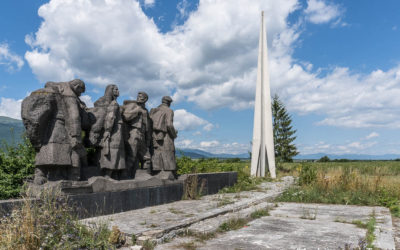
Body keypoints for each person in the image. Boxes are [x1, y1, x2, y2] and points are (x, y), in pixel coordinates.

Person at [22, 79, 88, 184]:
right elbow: (74, 116)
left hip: (50, 126)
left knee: (47, 148)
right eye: (81, 91)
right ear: (77, 87)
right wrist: (76, 134)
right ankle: (72, 177)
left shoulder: (58, 91)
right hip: (62, 126)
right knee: (69, 150)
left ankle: (41, 174)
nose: (80, 94)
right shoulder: (69, 95)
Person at [92, 84, 126, 179]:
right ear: (110, 91)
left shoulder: (114, 102)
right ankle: (108, 174)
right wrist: (108, 130)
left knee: (116, 152)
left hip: (116, 129)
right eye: (115, 89)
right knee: (112, 151)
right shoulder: (114, 104)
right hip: (114, 130)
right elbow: (111, 117)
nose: (118, 91)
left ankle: (113, 174)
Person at [121, 92, 152, 178]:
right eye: (138, 96)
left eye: (141, 97)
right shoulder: (133, 106)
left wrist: (148, 139)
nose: (138, 98)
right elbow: (126, 117)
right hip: (133, 133)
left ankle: (146, 175)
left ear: (145, 99)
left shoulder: (146, 111)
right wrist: (137, 111)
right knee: (131, 156)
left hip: (142, 136)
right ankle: (125, 175)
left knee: (147, 157)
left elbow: (148, 127)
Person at [149, 96, 177, 177]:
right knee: (168, 152)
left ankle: (157, 171)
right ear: (169, 103)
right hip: (166, 136)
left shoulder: (154, 110)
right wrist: (174, 134)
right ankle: (168, 172)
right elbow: (169, 125)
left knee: (157, 152)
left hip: (155, 135)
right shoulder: (169, 110)